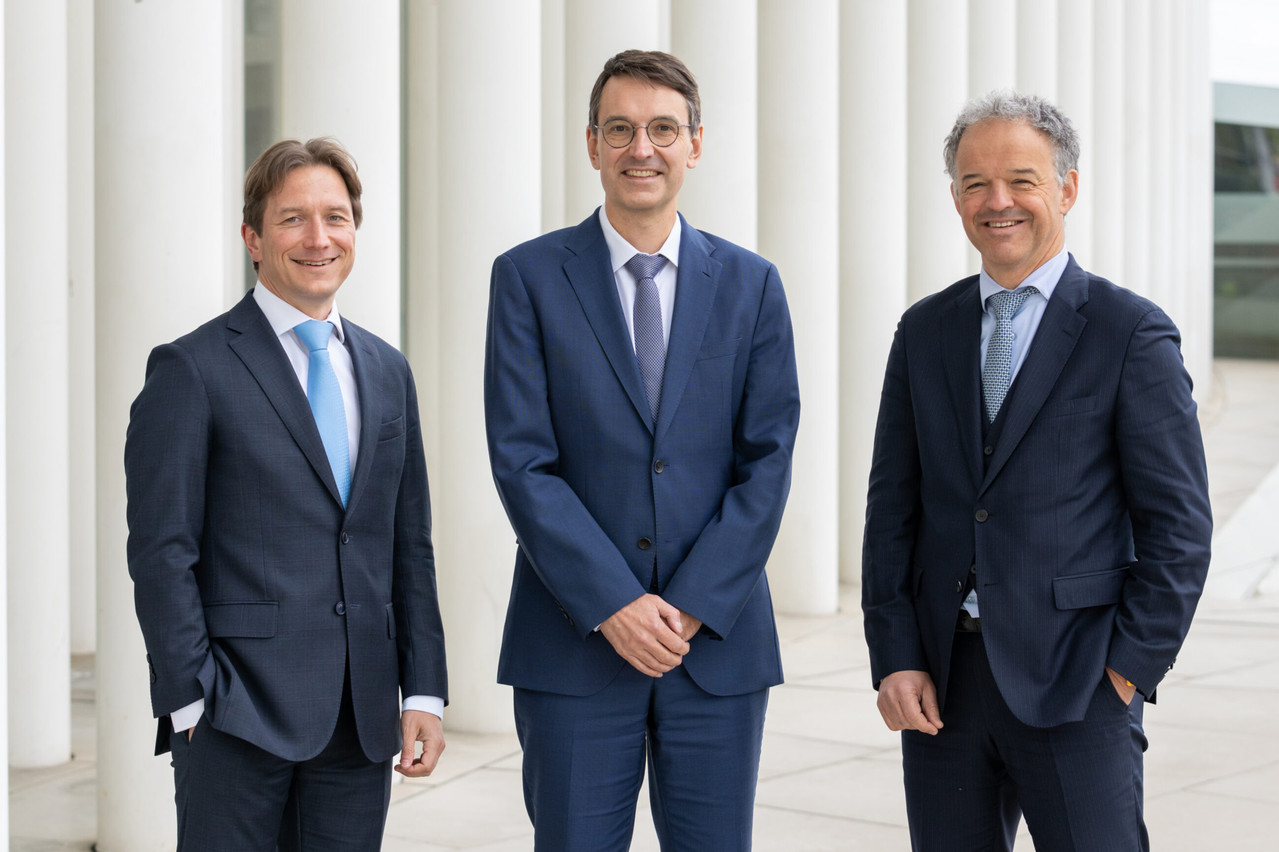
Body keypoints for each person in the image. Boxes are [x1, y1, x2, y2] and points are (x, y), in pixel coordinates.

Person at [861, 90, 1213, 852]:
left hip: (1077, 681)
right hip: (942, 687)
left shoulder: (1129, 332)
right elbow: (892, 510)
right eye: (973, 183)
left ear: (1066, 188)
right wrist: (893, 658)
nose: (997, 202)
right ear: (953, 197)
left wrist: (1123, 673)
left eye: (1020, 179)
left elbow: (1178, 528)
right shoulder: (923, 330)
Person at [483, 49, 801, 851]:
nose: (641, 149)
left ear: (696, 143)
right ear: (590, 144)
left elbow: (766, 461)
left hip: (715, 649)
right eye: (619, 129)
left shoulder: (752, 283)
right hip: (574, 645)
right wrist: (613, 606)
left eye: (663, 129)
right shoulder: (525, 278)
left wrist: (689, 605)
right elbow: (523, 462)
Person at [126, 137, 448, 851]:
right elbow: (160, 550)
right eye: (292, 218)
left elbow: (408, 544)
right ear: (252, 237)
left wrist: (422, 690)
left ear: (354, 233)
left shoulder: (387, 371)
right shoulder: (191, 368)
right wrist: (188, 699)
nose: (317, 237)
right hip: (236, 714)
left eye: (335, 217)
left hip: (361, 717)